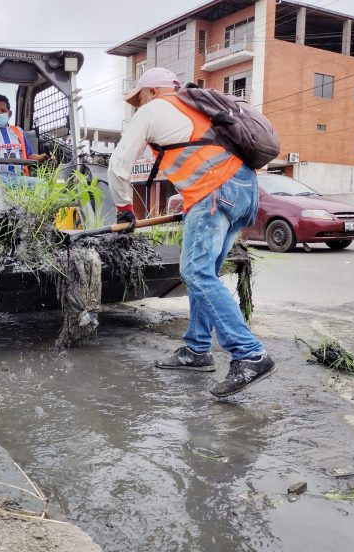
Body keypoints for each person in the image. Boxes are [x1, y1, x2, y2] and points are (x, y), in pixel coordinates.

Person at [107, 68, 276, 397]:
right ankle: (198, 350)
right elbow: (203, 152)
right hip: (244, 190)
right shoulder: (196, 106)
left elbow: (119, 165)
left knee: (196, 272)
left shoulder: (155, 108)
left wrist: (124, 208)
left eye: (139, 97)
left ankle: (250, 354)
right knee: (205, 273)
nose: (137, 104)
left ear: (150, 91)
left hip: (214, 191)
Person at [0, 94, 47, 186]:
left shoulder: (18, 131)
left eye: (3, 110)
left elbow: (29, 156)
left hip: (18, 178)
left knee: (42, 183)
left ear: (9, 113)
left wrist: (44, 157)